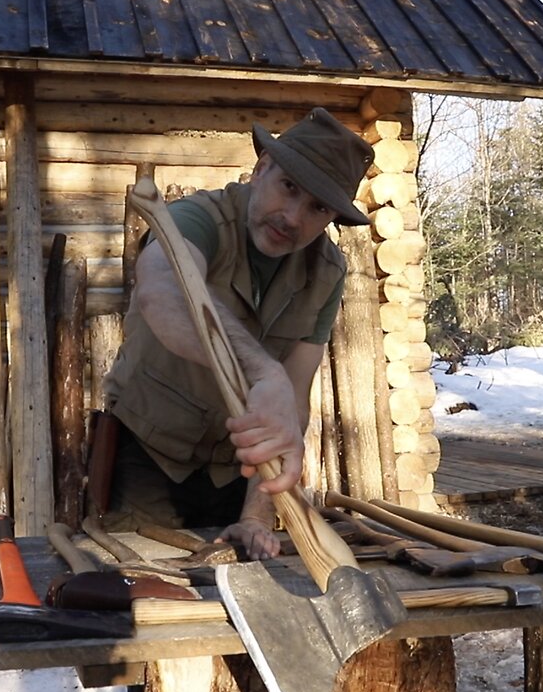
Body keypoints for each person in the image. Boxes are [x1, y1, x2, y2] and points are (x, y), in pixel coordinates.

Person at [99, 107, 374, 560]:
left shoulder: (326, 272)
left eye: (317, 207)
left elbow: (292, 403)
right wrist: (263, 371)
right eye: (289, 187)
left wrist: (256, 517)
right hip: (147, 456)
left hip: (236, 470)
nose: (292, 217)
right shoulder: (198, 219)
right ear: (262, 167)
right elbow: (163, 294)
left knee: (233, 595)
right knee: (149, 590)